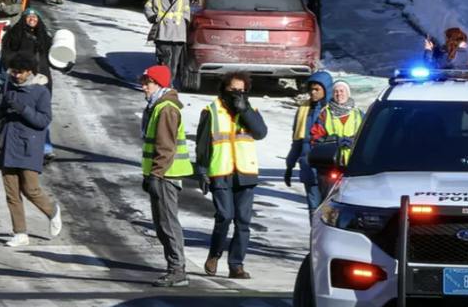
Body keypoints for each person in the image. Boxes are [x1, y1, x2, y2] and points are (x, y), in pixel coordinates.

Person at [196, 73, 268, 279]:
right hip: (221, 171)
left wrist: (244, 110)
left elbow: (261, 133)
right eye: (234, 90)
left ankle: (236, 264)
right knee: (225, 216)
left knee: (243, 221)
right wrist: (201, 170)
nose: (238, 94)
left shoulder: (250, 110)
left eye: (242, 90)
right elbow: (202, 144)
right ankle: (214, 254)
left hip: (245, 173)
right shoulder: (211, 110)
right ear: (224, 89)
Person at [0, 56, 61, 247]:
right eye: (12, 72)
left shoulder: (41, 92)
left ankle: (52, 211)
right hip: (7, 145)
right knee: (12, 193)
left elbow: (43, 121)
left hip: (28, 147)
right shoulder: (8, 86)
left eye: (19, 72)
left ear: (29, 72)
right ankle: (20, 233)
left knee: (31, 189)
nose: (15, 76)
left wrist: (23, 109)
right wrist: (2, 107)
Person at [139, 65, 192, 286]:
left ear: (159, 84)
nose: (143, 87)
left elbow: (165, 147)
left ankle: (177, 269)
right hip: (161, 174)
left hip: (166, 176)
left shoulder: (166, 109)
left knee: (167, 222)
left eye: (148, 82)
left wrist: (156, 175)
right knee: (162, 223)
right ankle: (175, 266)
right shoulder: (157, 107)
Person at [282, 71, 334, 211]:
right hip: (308, 167)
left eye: (317, 89)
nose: (313, 92)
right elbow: (297, 141)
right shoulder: (303, 109)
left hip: (330, 170)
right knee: (314, 209)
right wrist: (289, 165)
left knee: (329, 211)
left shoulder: (335, 110)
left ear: (326, 89)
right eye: (311, 89)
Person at [144, 0, 191, 85]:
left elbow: (186, 9)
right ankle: (164, 84)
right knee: (165, 62)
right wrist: (152, 17)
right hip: (163, 33)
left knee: (174, 64)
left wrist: (185, 20)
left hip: (178, 34)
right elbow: (147, 7)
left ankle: (168, 84)